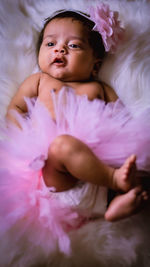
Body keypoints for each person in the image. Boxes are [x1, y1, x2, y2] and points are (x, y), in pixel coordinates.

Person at [6, 7, 149, 222]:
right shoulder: (39, 81)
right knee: (61, 146)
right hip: (57, 177)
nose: (60, 50)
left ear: (95, 65)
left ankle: (117, 203)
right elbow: (15, 110)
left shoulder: (99, 88)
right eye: (50, 44)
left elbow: (124, 124)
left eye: (73, 45)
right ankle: (115, 182)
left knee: (139, 164)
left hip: (97, 174)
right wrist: (24, 141)